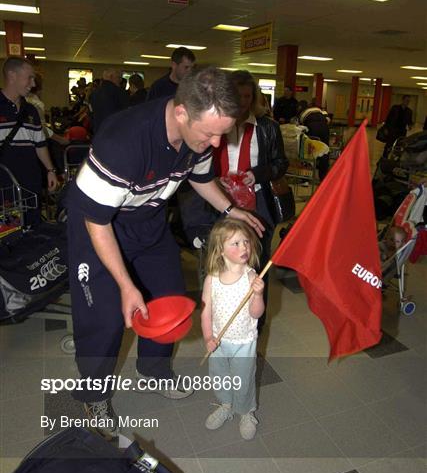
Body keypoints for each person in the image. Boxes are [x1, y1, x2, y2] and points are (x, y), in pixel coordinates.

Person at [66, 67, 265, 439]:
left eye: (222, 134)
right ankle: (93, 393)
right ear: (180, 113)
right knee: (106, 317)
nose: (217, 144)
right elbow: (97, 223)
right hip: (98, 224)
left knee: (170, 300)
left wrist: (230, 209)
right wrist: (126, 284)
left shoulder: (199, 139)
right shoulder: (123, 141)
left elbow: (200, 177)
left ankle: (154, 370)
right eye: (210, 134)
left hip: (148, 221)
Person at [212, 70, 288, 326]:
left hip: (258, 204)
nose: (243, 102)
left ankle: (255, 320)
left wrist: (257, 174)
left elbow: (280, 163)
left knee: (257, 261)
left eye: (247, 96)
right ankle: (222, 316)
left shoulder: (267, 127)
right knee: (221, 259)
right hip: (221, 203)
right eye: (237, 95)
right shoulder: (218, 121)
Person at [201, 219, 265, 440]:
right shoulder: (212, 279)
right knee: (219, 375)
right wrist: (208, 336)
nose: (244, 247)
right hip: (218, 339)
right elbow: (206, 311)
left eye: (246, 242)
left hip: (244, 341)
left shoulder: (251, 277)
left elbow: (256, 313)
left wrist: (257, 294)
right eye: (235, 243)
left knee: (243, 378)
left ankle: (246, 412)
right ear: (220, 251)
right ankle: (226, 405)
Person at [0, 57, 58, 226]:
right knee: (9, 231)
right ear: (12, 76)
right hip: (5, 185)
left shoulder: (31, 109)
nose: (33, 84)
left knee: (32, 229)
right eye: (29, 78)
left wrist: (50, 170)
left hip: (31, 183)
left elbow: (40, 145)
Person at [297, 99, 330, 181]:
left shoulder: (303, 112)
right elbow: (328, 120)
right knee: (324, 151)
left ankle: (305, 179)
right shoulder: (320, 110)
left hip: (312, 129)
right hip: (324, 129)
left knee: (308, 152)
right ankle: (323, 178)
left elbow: (300, 125)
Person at [90, 68, 129, 133]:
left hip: (98, 131)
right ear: (111, 77)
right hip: (115, 131)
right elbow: (126, 113)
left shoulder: (94, 93)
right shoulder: (120, 92)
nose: (120, 80)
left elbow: (91, 113)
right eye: (119, 77)